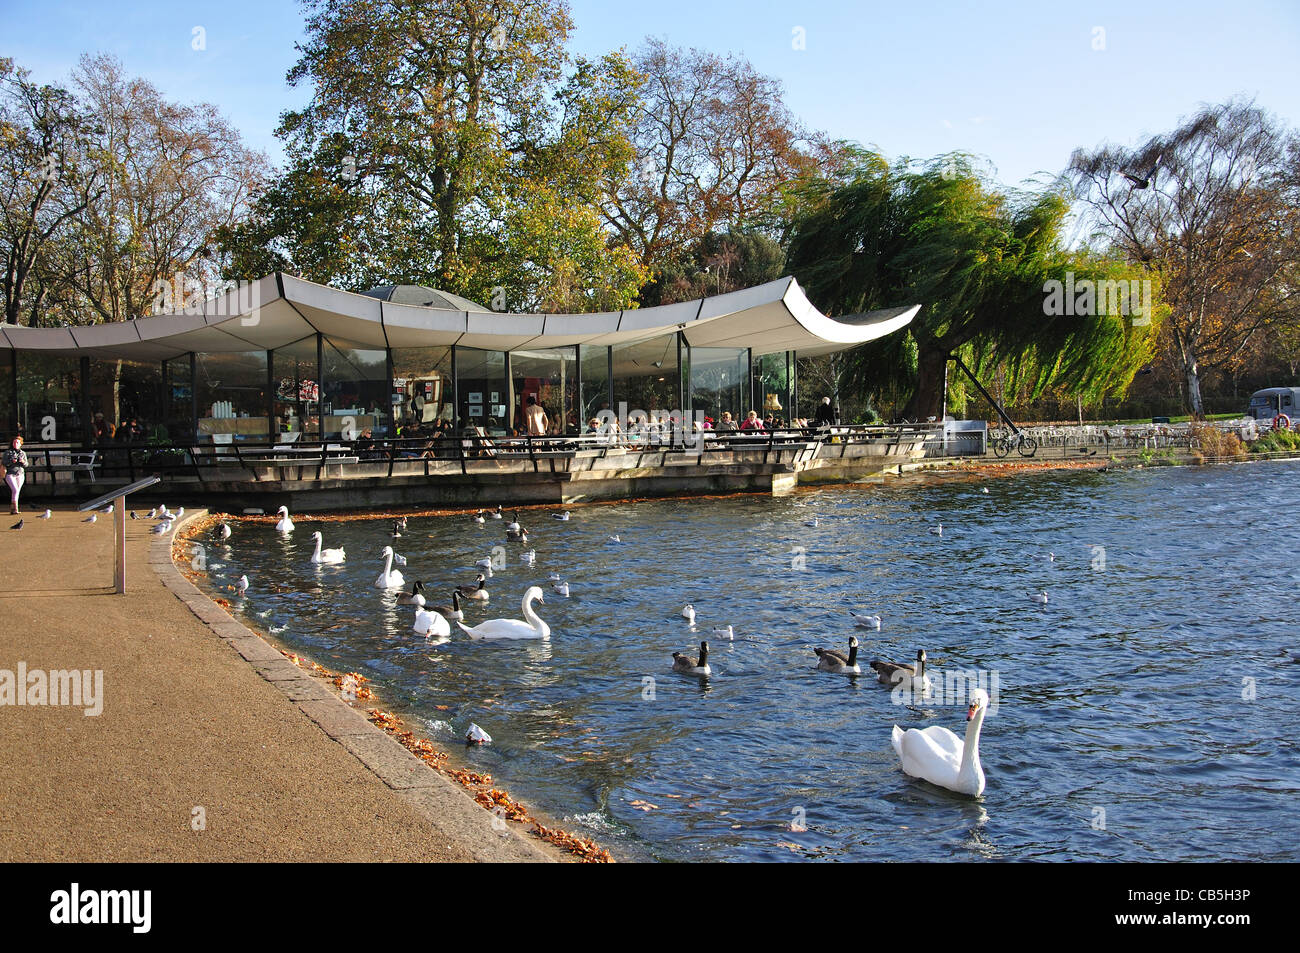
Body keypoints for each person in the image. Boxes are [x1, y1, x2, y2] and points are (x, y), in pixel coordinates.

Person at [4, 435, 29, 515]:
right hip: (10, 474)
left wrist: (23, 462)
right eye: (14, 442)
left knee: (17, 491)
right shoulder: (8, 452)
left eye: (17, 442)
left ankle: (13, 508)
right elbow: (4, 463)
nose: (15, 444)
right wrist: (12, 462)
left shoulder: (23, 453)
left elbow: (26, 465)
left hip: (20, 474)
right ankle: (15, 508)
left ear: (20, 444)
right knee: (15, 490)